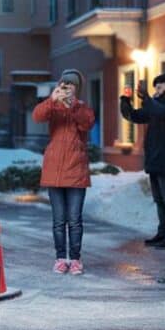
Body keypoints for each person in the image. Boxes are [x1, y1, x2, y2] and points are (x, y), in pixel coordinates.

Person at [32, 69, 97, 275]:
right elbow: (37, 116)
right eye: (65, 84)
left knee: (75, 219)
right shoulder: (53, 107)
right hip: (54, 171)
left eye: (72, 85)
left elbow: (87, 124)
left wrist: (72, 106)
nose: (68, 87)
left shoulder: (83, 108)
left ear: (78, 89)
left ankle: (75, 259)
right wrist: (52, 99)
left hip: (76, 170)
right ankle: (61, 258)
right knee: (59, 220)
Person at [119, 72, 165, 249]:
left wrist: (147, 97)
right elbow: (134, 116)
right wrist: (125, 101)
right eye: (155, 87)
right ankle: (163, 232)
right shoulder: (155, 105)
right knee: (159, 199)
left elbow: (161, 112)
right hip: (154, 159)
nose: (156, 90)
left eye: (159, 86)